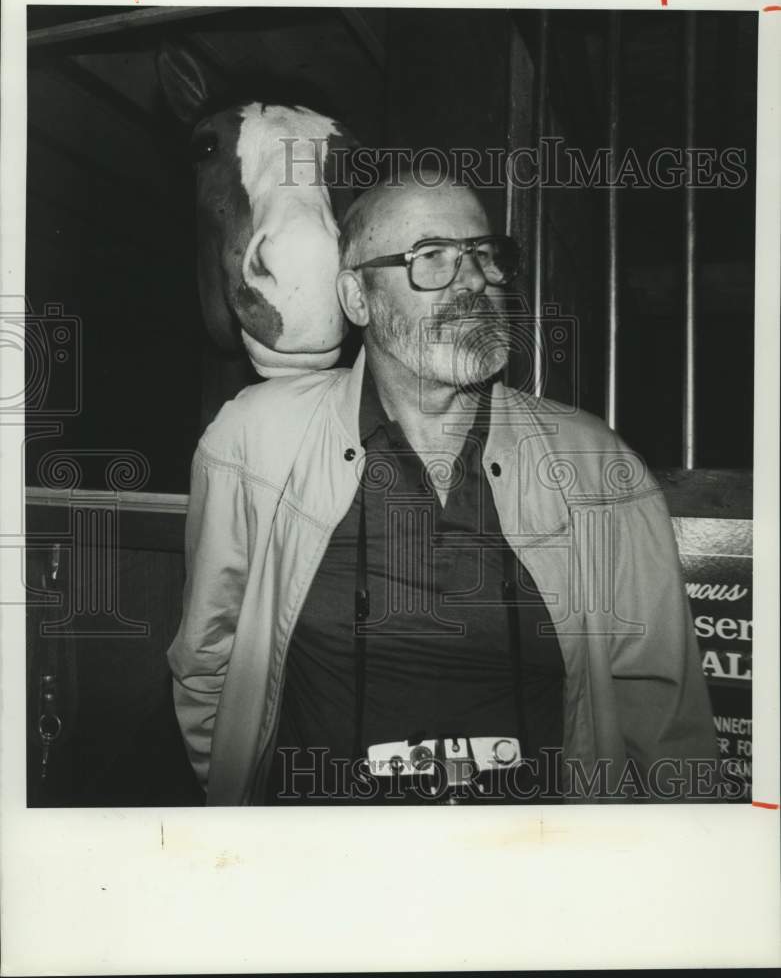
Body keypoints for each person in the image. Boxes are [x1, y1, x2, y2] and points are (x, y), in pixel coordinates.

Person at [168, 174, 719, 806]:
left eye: (485, 255)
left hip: (533, 857)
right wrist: (240, 810)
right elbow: (206, 663)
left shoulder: (595, 465)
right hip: (323, 855)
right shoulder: (255, 440)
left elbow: (663, 718)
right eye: (431, 256)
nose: (474, 279)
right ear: (357, 297)